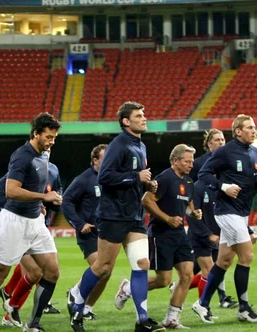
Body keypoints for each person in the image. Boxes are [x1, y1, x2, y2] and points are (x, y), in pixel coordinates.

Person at [69, 101, 165, 332]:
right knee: (102, 267)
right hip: (113, 216)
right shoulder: (118, 144)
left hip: (134, 216)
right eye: (139, 115)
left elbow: (133, 179)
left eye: (144, 114)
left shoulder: (140, 146)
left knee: (142, 264)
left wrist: (147, 185)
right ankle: (77, 308)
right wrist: (136, 177)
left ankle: (142, 321)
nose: (144, 118)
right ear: (126, 121)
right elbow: (105, 177)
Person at [0, 112, 62, 332]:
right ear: (36, 134)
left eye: (54, 137)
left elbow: (33, 184)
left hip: (35, 222)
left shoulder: (44, 154)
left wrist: (37, 204)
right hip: (14, 222)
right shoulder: (22, 155)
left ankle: (33, 324)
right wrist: (43, 197)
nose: (52, 141)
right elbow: (10, 191)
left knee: (52, 272)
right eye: (48, 137)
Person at [192, 114, 257, 324]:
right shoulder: (225, 152)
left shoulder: (256, 152)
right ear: (238, 131)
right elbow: (203, 174)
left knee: (225, 260)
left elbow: (253, 184)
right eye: (249, 127)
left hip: (242, 213)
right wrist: (223, 186)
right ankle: (244, 308)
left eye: (254, 127)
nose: (253, 131)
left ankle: (202, 303)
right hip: (227, 211)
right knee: (247, 257)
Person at [120, 144, 203, 329]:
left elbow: (188, 205)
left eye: (192, 162)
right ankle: (127, 289)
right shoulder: (165, 178)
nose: (191, 165)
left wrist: (194, 213)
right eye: (187, 161)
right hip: (161, 234)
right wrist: (166, 218)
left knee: (187, 275)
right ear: (175, 161)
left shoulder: (189, 182)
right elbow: (146, 200)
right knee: (163, 280)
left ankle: (172, 318)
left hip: (180, 234)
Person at [0, 152, 63, 328]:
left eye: (52, 141)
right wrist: (19, 210)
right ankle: (13, 307)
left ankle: (10, 299)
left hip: (39, 228)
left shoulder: (53, 170)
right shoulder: (22, 168)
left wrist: (55, 201)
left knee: (40, 273)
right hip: (20, 228)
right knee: (35, 273)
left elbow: (57, 191)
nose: (48, 147)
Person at [182, 129, 237, 309]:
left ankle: (179, 287)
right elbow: (188, 189)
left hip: (217, 219)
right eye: (217, 140)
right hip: (201, 218)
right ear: (209, 144)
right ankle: (217, 299)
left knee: (200, 270)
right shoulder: (197, 165)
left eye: (223, 139)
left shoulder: (227, 160)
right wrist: (192, 213)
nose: (222, 142)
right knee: (212, 267)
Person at [63, 144, 108, 321]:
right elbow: (66, 201)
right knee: (100, 266)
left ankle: (87, 307)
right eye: (105, 157)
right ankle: (75, 293)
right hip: (88, 232)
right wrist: (79, 223)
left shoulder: (109, 178)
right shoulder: (84, 179)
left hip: (105, 232)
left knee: (106, 271)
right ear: (95, 160)